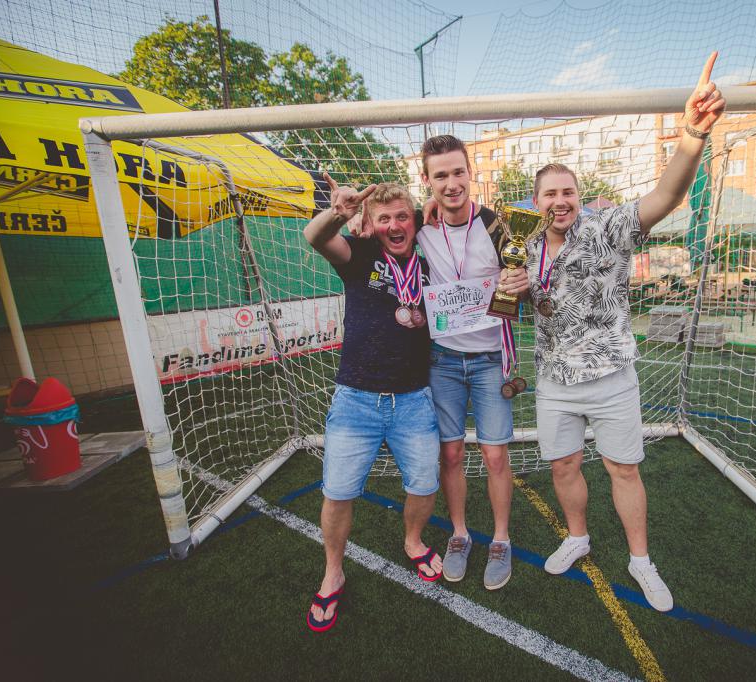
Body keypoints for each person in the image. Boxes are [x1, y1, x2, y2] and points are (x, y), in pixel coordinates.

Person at [525, 53, 726, 612]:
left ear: (579, 195)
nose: (559, 201)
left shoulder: (608, 228)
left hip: (612, 375)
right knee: (563, 465)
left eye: (567, 192)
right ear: (535, 202)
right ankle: (577, 537)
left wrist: (691, 137)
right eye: (549, 194)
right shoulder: (523, 246)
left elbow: (666, 197)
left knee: (623, 468)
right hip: (554, 380)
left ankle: (640, 560)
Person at [302, 175, 442, 633]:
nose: (394, 225)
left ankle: (413, 541)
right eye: (384, 218)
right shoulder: (359, 254)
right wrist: (338, 214)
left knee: (424, 483)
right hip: (356, 400)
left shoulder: (431, 260)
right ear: (372, 224)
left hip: (414, 399)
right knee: (338, 492)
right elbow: (314, 237)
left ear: (414, 221)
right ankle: (333, 571)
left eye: (402, 216)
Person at [416, 134, 530, 590]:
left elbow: (522, 285)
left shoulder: (500, 227)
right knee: (450, 452)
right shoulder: (420, 226)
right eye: (440, 175)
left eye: (458, 172)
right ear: (427, 180)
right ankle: (459, 534)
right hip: (441, 360)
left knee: (495, 453)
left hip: (488, 359)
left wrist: (519, 284)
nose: (451, 183)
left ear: (470, 173)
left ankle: (501, 539)